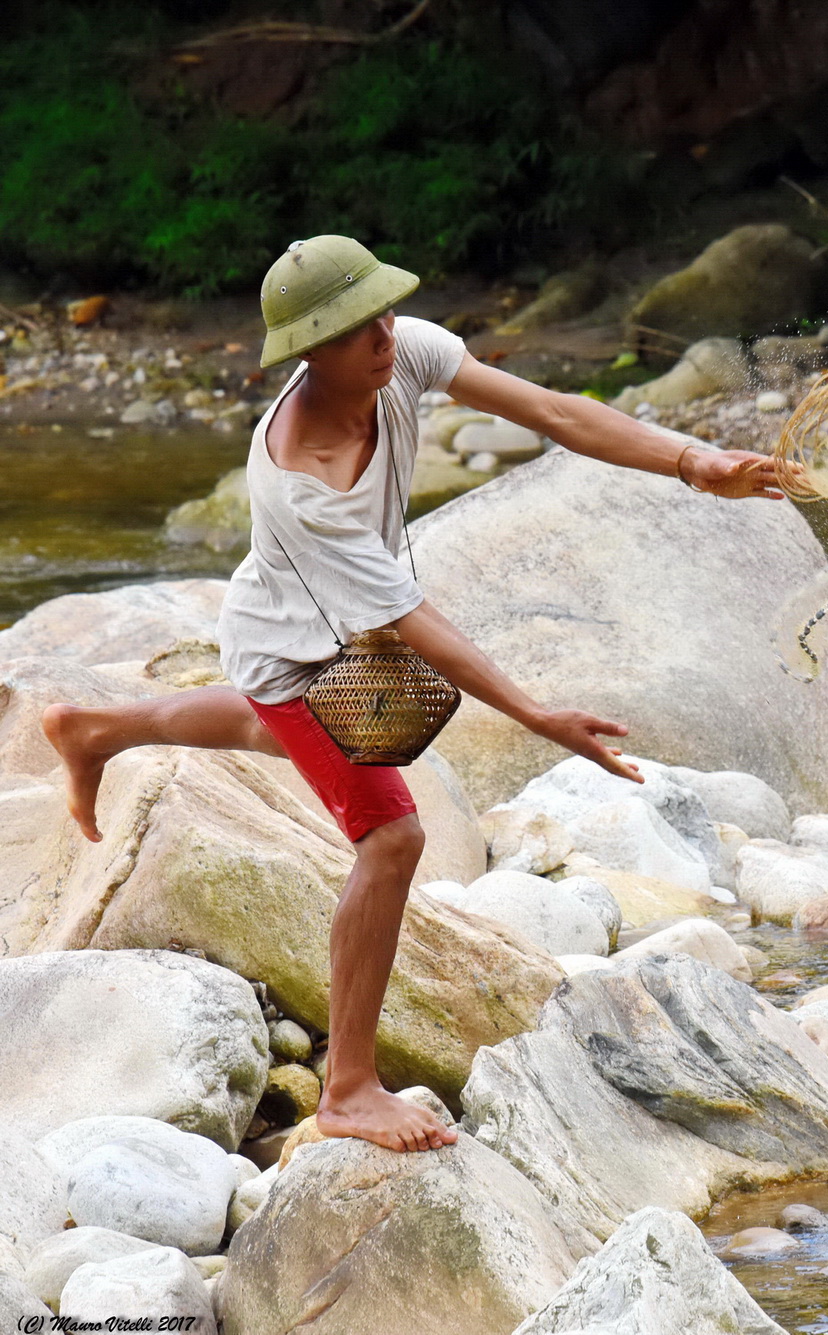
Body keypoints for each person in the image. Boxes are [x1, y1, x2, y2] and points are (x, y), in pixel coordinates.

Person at [39, 235, 781, 1153]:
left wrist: (693, 460)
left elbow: (554, 410)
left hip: (320, 627)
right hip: (295, 654)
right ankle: (349, 1087)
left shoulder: (405, 351)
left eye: (383, 311)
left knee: (277, 736)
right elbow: (414, 618)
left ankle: (96, 730)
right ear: (310, 350)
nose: (384, 335)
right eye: (357, 328)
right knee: (391, 836)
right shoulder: (296, 481)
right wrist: (537, 715)